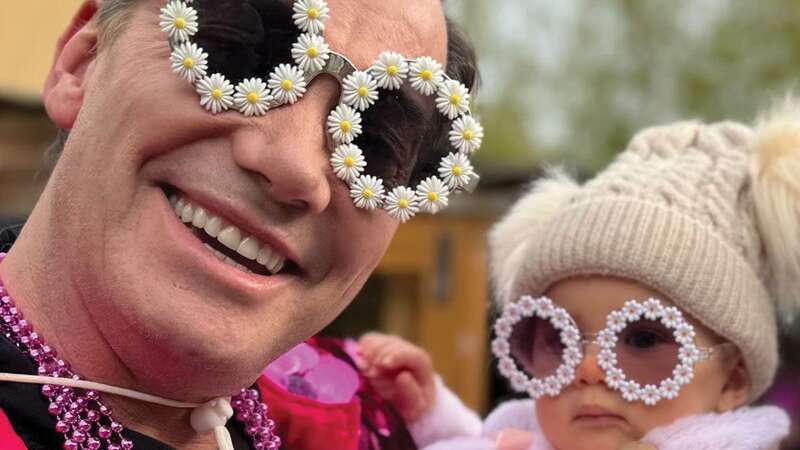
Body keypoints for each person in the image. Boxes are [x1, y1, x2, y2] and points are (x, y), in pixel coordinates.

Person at [0, 0, 482, 448]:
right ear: (81, 65)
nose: (295, 166)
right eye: (239, 57)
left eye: (376, 139)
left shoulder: (368, 419)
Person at [358, 106, 800, 449]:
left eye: (643, 338)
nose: (588, 369)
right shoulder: (537, 433)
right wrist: (432, 415)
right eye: (557, 338)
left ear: (733, 380)